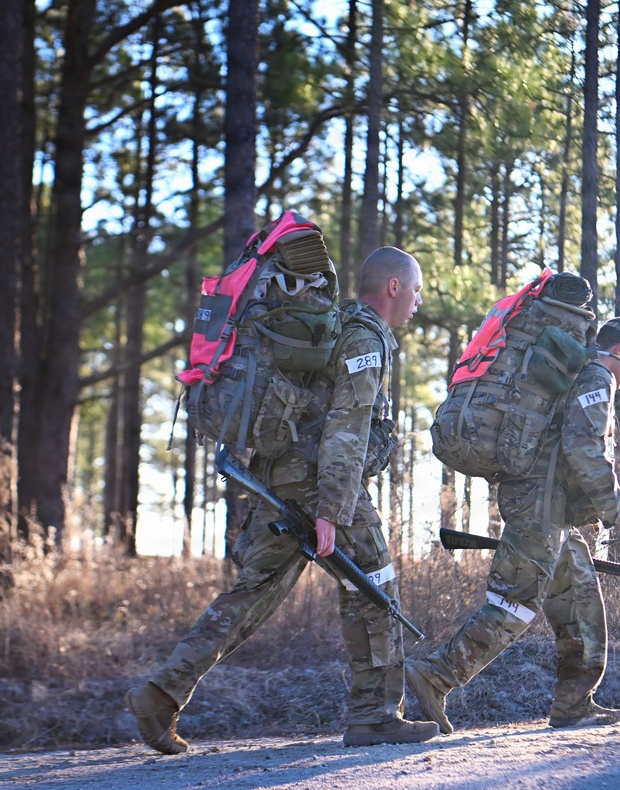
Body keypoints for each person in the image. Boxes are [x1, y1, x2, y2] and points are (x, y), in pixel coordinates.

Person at [126, 247, 439, 751]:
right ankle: (375, 715)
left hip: (282, 479)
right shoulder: (364, 335)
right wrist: (332, 511)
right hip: (321, 483)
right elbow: (347, 426)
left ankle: (161, 694)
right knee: (374, 585)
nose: (419, 302)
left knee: (255, 592)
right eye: (417, 290)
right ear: (393, 288)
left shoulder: (335, 326)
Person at [406, 316, 620, 733]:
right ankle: (435, 675)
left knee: (581, 601)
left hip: (551, 510)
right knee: (514, 603)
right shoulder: (597, 375)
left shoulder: (578, 374)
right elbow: (582, 445)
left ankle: (575, 702)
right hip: (541, 506)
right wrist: (614, 502)